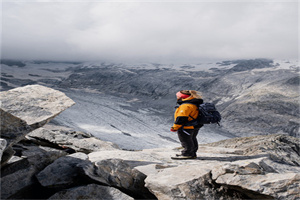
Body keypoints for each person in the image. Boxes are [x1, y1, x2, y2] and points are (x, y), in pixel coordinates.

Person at [170, 90, 203, 159]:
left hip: (186, 127)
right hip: (194, 126)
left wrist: (174, 127)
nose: (177, 97)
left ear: (182, 97)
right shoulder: (194, 103)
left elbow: (181, 118)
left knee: (185, 140)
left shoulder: (185, 106)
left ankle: (187, 154)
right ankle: (193, 153)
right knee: (192, 139)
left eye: (178, 96)